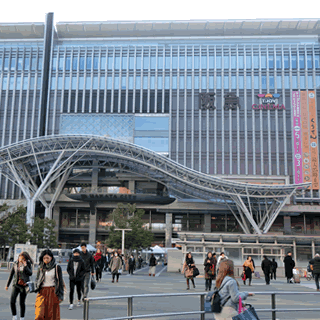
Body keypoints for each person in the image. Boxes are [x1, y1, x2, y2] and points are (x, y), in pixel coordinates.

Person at [34, 249, 64, 320]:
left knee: (52, 315)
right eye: (44, 258)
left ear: (51, 257)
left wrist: (60, 296)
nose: (46, 259)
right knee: (39, 314)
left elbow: (60, 282)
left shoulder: (57, 267)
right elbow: (37, 279)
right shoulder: (41, 267)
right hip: (42, 292)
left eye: (47, 258)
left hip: (53, 292)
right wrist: (36, 285)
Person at [5, 252, 33, 320]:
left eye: (23, 258)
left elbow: (30, 273)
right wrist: (7, 285)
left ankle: (22, 318)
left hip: (24, 286)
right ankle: (14, 316)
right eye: (20, 257)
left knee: (22, 302)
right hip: (16, 285)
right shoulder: (15, 263)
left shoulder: (28, 264)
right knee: (12, 301)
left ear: (25, 259)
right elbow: (11, 274)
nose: (21, 259)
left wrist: (25, 265)